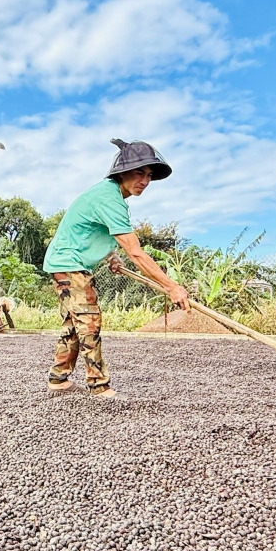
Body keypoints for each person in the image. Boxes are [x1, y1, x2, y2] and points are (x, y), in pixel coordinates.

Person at [42, 138, 190, 399]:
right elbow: (136, 252)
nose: (145, 181)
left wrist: (112, 255)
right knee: (89, 323)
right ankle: (99, 387)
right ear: (121, 172)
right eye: (139, 173)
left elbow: (95, 231)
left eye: (149, 175)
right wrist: (172, 287)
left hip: (65, 262)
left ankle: (59, 380)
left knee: (75, 326)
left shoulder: (111, 196)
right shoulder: (109, 199)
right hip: (69, 264)